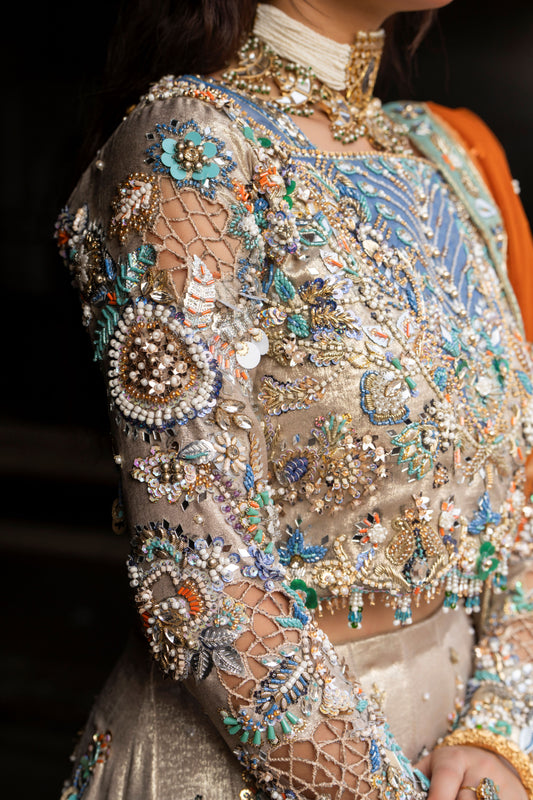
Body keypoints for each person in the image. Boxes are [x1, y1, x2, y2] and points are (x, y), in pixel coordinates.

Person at [55, 1, 533, 798]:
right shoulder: (191, 146)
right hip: (242, 770)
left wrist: (502, 729)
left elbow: (523, 486)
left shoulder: (446, 155)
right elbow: (198, 568)